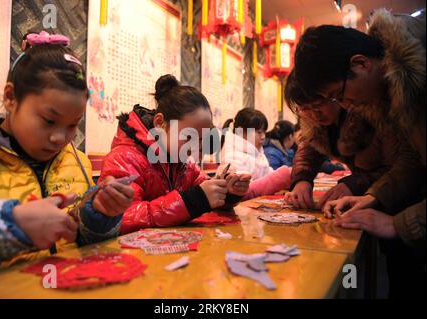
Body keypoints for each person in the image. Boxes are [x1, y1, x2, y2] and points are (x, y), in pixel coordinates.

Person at [291, 9, 426, 297]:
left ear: (361, 64)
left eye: (334, 96)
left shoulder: (399, 92)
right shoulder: (388, 89)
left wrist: (399, 223)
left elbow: (406, 162)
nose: (343, 103)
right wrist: (372, 198)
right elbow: (413, 161)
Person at [0, 31, 133, 272]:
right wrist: (11, 225)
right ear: (10, 97)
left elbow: (83, 243)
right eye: (49, 120)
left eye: (72, 125)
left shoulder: (77, 162)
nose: (60, 138)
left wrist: (100, 215)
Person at [99, 75, 251, 234]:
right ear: (159, 123)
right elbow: (121, 217)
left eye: (200, 140)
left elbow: (204, 189)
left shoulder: (184, 164)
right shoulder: (124, 158)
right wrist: (194, 200)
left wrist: (228, 192)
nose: (194, 147)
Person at [283, 70, 423, 213]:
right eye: (304, 109)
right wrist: (302, 180)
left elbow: (403, 168)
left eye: (318, 105)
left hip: (403, 205)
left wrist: (354, 184)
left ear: (332, 93)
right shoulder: (315, 123)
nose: (314, 114)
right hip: (371, 200)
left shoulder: (375, 112)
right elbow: (308, 152)